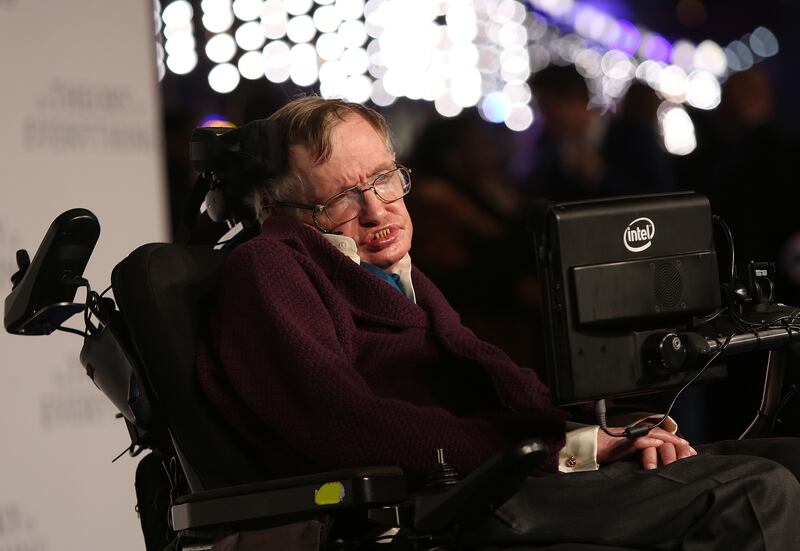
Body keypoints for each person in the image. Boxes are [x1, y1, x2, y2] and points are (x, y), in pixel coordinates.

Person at [197, 96, 800, 549]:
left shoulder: (393, 274)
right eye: (341, 198)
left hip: (502, 474)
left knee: (786, 458)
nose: (378, 209)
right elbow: (339, 421)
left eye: (383, 178)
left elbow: (495, 375)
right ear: (284, 210)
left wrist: (608, 436)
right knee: (756, 493)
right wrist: (559, 449)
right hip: (444, 503)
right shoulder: (269, 267)